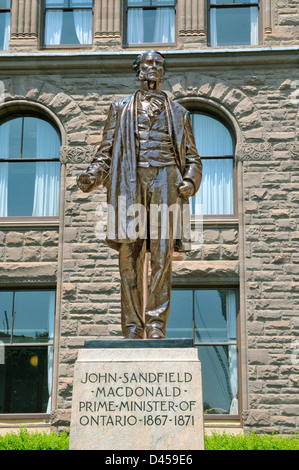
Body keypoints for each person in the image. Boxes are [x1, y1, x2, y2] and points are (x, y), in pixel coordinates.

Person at [77, 50, 202, 340]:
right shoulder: (120, 107)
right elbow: (105, 152)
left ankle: (156, 323)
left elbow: (194, 158)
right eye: (149, 63)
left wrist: (190, 182)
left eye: (159, 64)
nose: (154, 68)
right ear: (138, 69)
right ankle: (133, 326)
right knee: (129, 259)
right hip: (130, 184)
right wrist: (92, 176)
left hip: (166, 180)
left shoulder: (180, 112)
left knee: (161, 257)